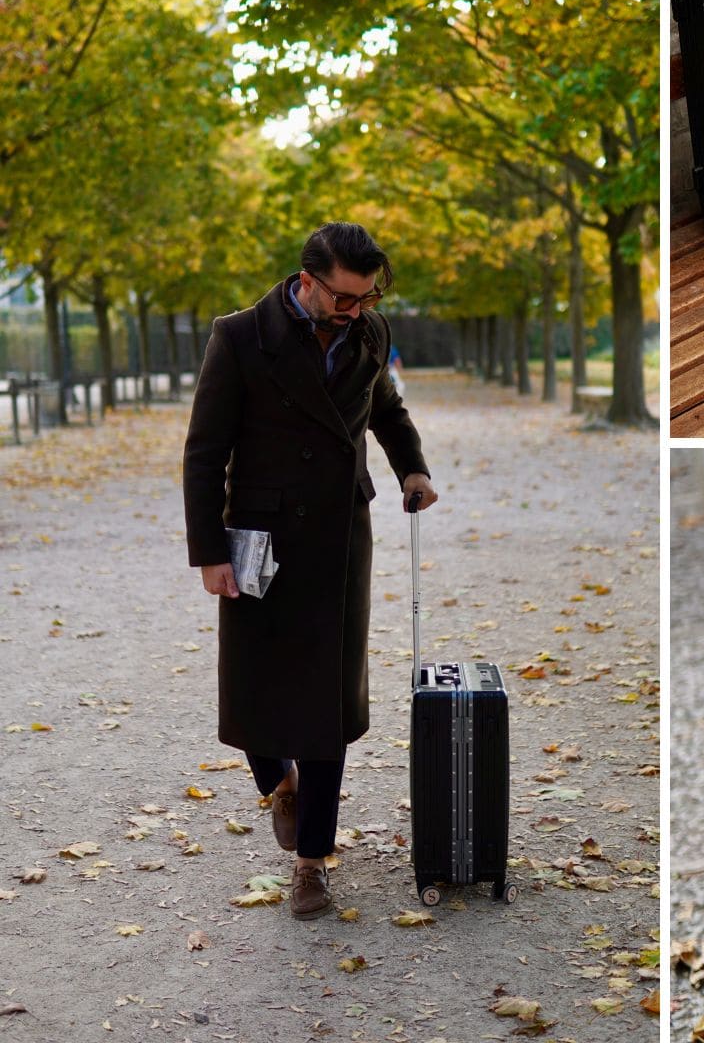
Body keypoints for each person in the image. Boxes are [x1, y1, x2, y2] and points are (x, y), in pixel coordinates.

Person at [181, 223, 438, 920]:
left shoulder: (370, 332)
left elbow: (386, 408)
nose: (357, 308)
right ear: (307, 281)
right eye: (345, 297)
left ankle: (310, 863)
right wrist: (208, 551)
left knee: (326, 703)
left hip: (338, 537)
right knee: (255, 693)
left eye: (368, 296)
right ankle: (278, 782)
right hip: (258, 540)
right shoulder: (238, 337)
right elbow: (205, 451)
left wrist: (410, 466)